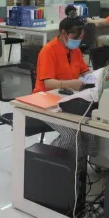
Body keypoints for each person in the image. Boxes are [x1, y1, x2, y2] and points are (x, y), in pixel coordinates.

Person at [34, 17, 98, 156]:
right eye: (76, 38)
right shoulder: (48, 51)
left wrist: (95, 76)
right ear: (64, 33)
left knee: (90, 127)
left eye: (81, 38)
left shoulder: (75, 51)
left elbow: (84, 71)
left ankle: (80, 163)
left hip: (68, 98)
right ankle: (47, 161)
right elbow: (48, 83)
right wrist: (71, 84)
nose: (78, 41)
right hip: (46, 102)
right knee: (71, 135)